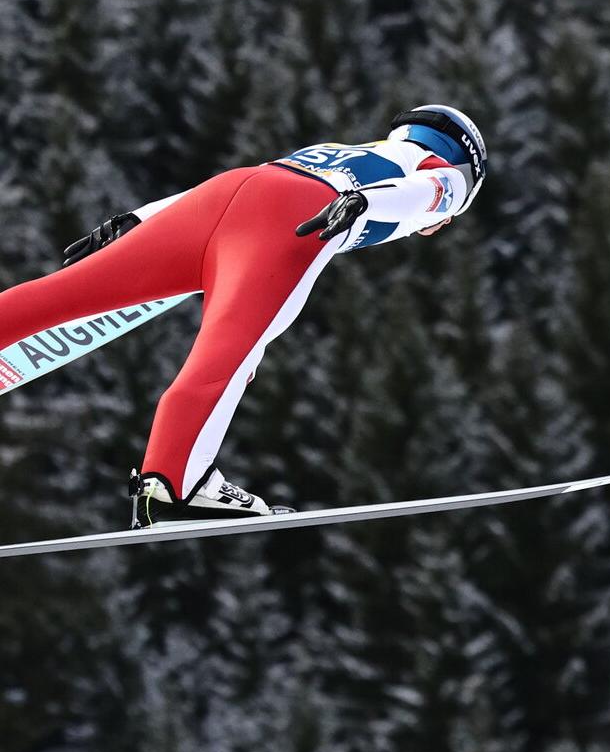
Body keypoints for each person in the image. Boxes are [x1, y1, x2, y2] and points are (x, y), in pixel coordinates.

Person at [0, 105, 487, 527]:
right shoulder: (450, 174)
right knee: (229, 351)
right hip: (297, 215)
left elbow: (255, 181)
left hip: (227, 192)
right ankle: (176, 483)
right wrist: (365, 203)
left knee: (62, 293)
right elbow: (433, 192)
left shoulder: (343, 148)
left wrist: (138, 220)